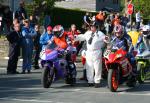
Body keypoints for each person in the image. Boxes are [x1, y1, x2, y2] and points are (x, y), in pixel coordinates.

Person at [75, 22, 109, 88]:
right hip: (89, 52)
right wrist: (76, 37)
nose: (92, 27)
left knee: (97, 67)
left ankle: (97, 81)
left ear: (96, 27)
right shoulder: (88, 33)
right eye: (91, 26)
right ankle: (90, 81)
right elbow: (82, 37)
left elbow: (106, 39)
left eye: (93, 26)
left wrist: (107, 39)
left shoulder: (100, 34)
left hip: (97, 51)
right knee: (89, 67)